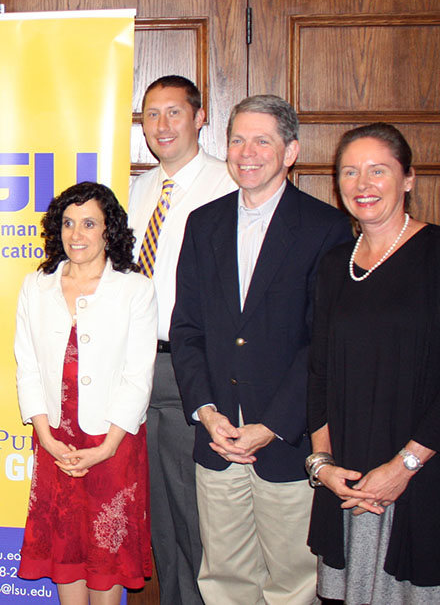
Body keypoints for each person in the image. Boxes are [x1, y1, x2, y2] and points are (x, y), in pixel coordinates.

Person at [170, 95, 351, 604]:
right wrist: (206, 414)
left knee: (293, 583)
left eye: (262, 141)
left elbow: (322, 343)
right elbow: (187, 330)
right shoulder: (203, 224)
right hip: (218, 440)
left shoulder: (326, 228)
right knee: (225, 580)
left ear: (290, 151)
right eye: (236, 140)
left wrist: (270, 426)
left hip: (286, 443)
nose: (246, 152)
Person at [306, 123, 440, 602]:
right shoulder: (334, 263)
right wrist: (322, 465)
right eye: (349, 172)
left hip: (420, 477)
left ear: (408, 179)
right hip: (347, 481)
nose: (362, 185)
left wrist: (403, 467)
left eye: (377, 170)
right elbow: (318, 371)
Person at [15, 182, 156, 604]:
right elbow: (27, 366)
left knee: (106, 554)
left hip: (112, 443)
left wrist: (107, 447)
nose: (77, 235)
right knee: (66, 549)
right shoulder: (35, 286)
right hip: (56, 439)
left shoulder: (135, 289)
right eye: (68, 223)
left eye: (89, 224)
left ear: (108, 231)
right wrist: (46, 438)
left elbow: (138, 374)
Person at [128, 75, 235, 605]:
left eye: (174, 112)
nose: (162, 125)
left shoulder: (228, 184)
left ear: (199, 117)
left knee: (196, 508)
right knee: (155, 508)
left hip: (189, 367)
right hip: (133, 367)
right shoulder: (137, 190)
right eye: (151, 114)